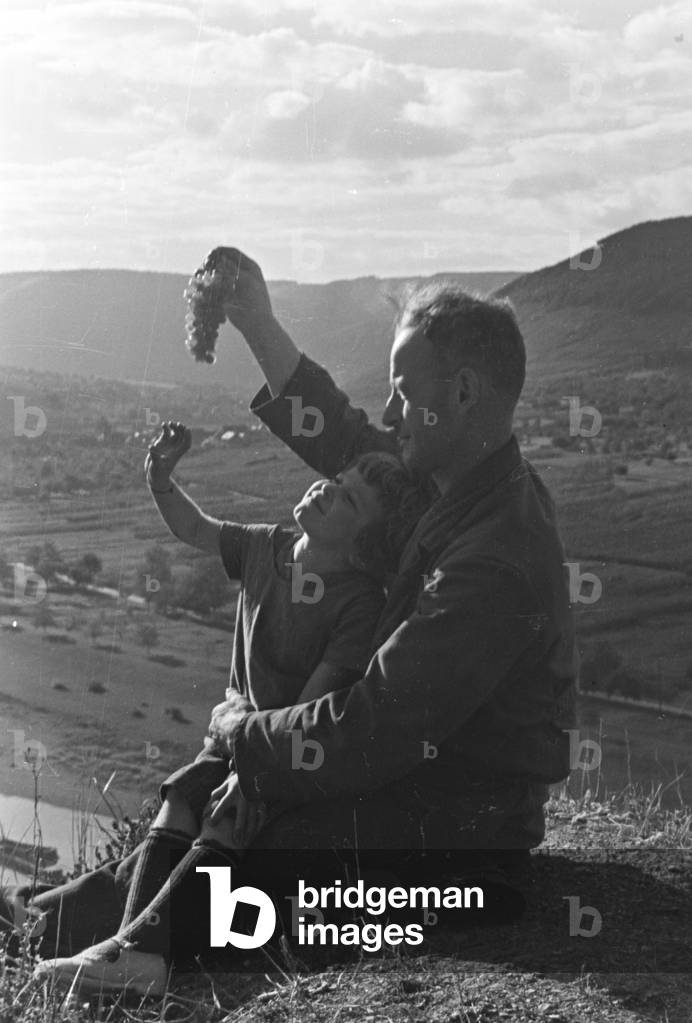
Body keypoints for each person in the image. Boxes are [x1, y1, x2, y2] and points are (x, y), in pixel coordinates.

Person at [5, 246, 576, 997]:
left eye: (405, 390)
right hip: (415, 787)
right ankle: (39, 929)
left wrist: (240, 728)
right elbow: (346, 439)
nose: (393, 412)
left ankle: (128, 952)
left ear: (464, 391)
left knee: (258, 828)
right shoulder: (453, 482)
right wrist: (258, 325)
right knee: (229, 805)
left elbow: (372, 725)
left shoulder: (494, 556)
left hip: (462, 829)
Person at [29, 419, 425, 996]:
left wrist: (252, 753)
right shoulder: (266, 546)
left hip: (275, 752)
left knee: (221, 817)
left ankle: (130, 952)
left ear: (364, 544)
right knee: (178, 804)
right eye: (333, 478)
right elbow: (195, 528)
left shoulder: (357, 604)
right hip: (228, 742)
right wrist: (161, 479)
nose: (325, 488)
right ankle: (129, 951)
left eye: (346, 498)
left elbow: (308, 709)